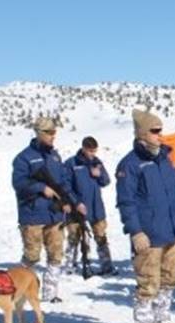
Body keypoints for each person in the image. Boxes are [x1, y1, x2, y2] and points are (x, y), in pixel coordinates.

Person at [116, 109, 175, 323]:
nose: (161, 135)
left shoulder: (165, 160)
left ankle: (162, 321)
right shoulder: (130, 165)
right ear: (142, 134)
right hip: (148, 237)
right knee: (148, 284)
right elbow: (126, 202)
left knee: (169, 280)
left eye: (161, 130)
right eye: (155, 131)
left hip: (171, 233)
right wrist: (136, 231)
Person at [12, 116, 83, 303]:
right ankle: (23, 286)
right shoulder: (23, 158)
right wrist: (41, 188)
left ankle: (50, 292)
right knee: (32, 255)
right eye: (49, 133)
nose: (53, 136)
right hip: (33, 214)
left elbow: (64, 183)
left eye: (54, 132)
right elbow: (18, 183)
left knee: (56, 253)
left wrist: (74, 202)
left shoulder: (55, 156)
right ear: (39, 133)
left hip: (54, 213)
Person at [64, 136, 118, 277]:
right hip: (77, 208)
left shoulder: (96, 163)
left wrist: (99, 175)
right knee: (74, 237)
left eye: (95, 151)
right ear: (83, 148)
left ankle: (107, 265)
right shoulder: (71, 164)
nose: (93, 154)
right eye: (90, 151)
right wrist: (76, 203)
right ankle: (70, 265)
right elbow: (66, 187)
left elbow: (106, 181)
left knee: (101, 235)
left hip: (96, 207)